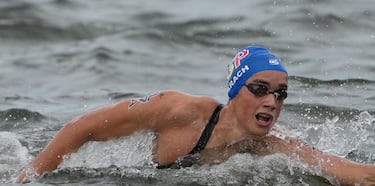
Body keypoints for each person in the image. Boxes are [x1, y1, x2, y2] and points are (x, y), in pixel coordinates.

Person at [17, 46, 375, 185]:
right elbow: (82, 128)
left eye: (280, 94)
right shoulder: (177, 109)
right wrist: (29, 178)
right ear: (236, 92)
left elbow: (338, 168)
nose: (272, 101)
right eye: (260, 89)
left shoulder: (263, 147)